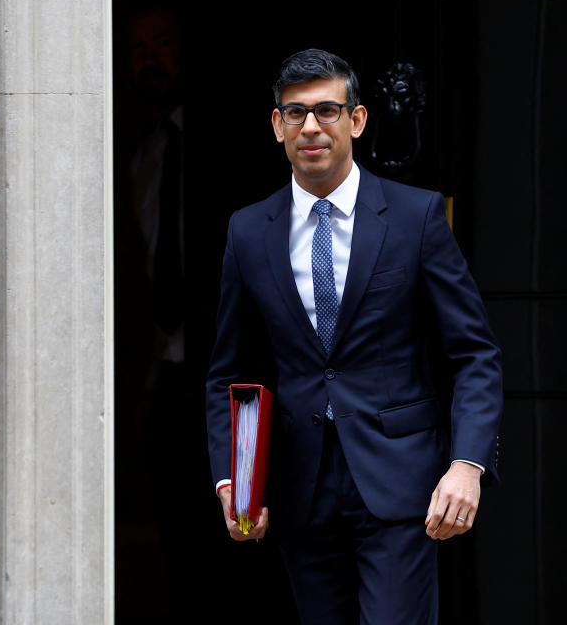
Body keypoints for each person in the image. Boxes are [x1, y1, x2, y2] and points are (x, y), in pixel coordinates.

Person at [205, 49, 503, 624]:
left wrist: (467, 464)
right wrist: (233, 478)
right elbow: (231, 371)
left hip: (400, 486)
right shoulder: (247, 231)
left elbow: (475, 353)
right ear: (277, 126)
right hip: (298, 491)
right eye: (295, 113)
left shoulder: (415, 218)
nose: (311, 127)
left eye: (327, 111)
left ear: (357, 120)